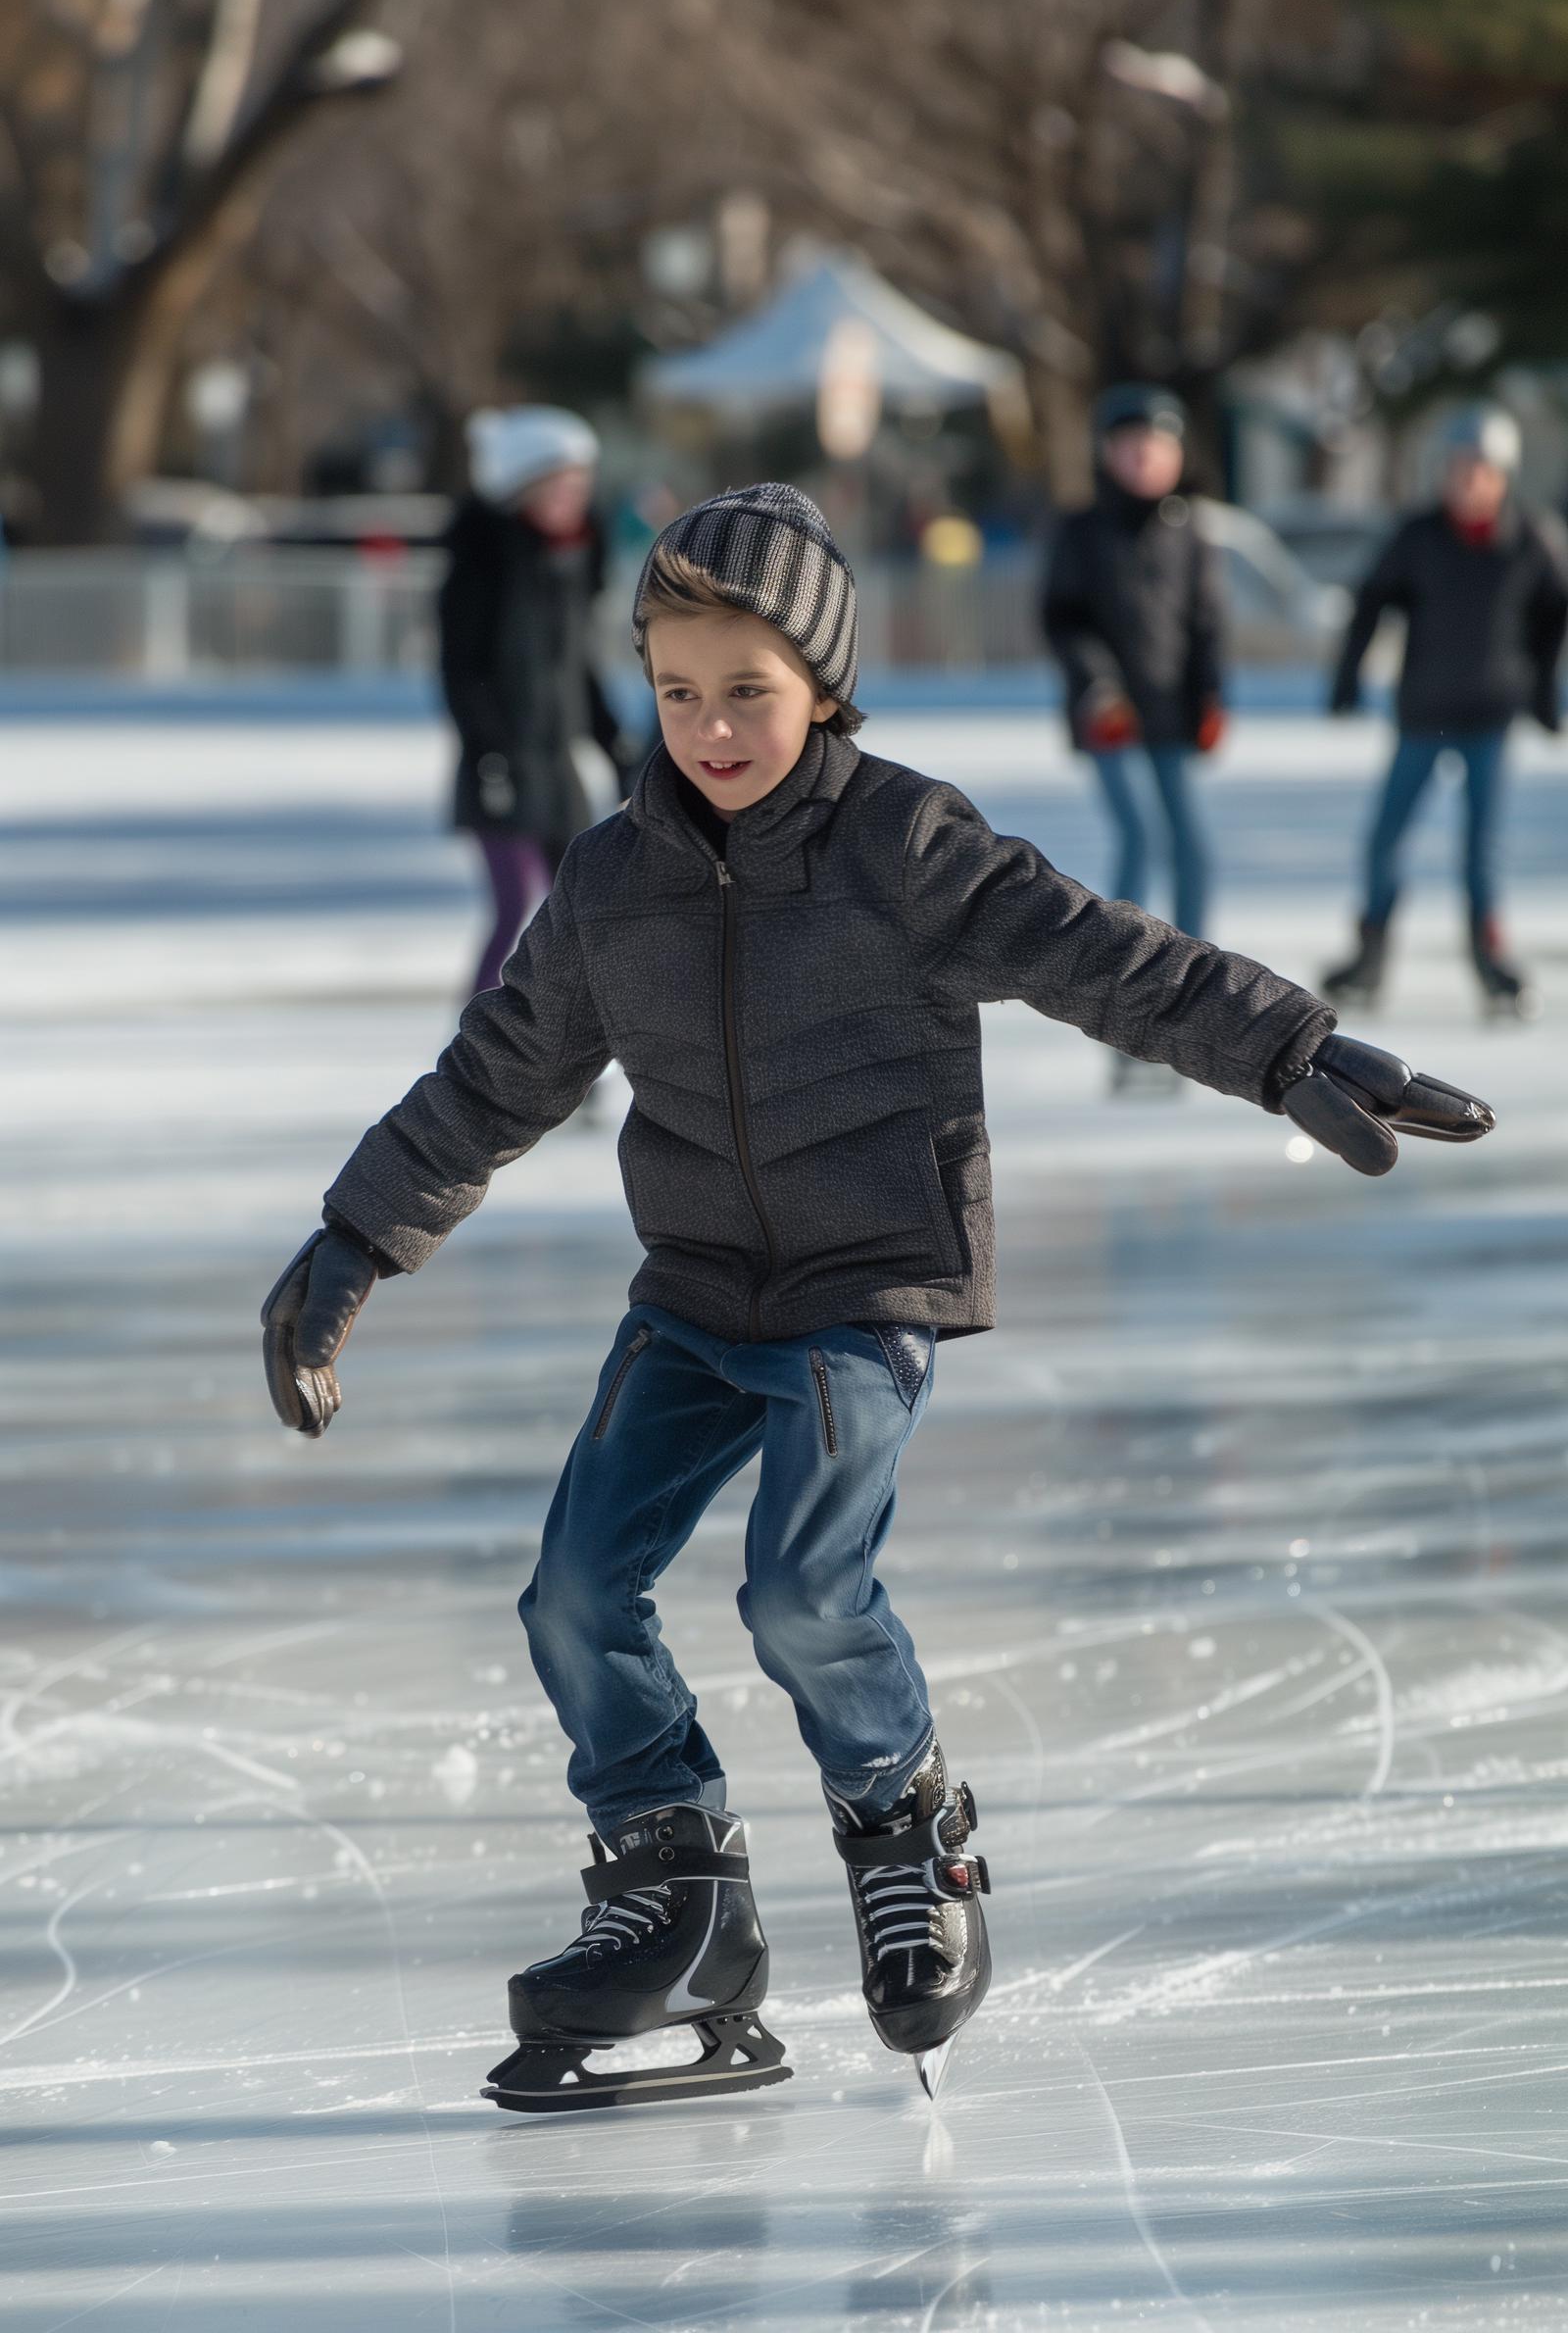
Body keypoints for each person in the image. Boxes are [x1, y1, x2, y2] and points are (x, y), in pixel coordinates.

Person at [262, 483, 1493, 2112]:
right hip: (697, 1292)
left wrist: (1289, 1045)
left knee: (802, 1594)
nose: (709, 728)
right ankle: (676, 1889)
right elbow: (498, 1076)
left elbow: (1104, 956)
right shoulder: (614, 880)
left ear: (825, 687)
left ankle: (910, 1832)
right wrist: (356, 1238)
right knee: (573, 1593)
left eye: (747, 694)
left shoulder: (905, 846)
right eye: (678, 689)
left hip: (866, 1289)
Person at [1322, 404, 1568, 1016]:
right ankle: (1370, 954)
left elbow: (1553, 616)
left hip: (1490, 713)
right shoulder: (1419, 536)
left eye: (1479, 469)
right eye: (1456, 468)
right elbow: (1370, 601)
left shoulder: (1530, 538)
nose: (1466, 481)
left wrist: (1543, 692)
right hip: (1423, 713)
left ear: (1502, 475)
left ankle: (1490, 961)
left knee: (1481, 848)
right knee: (1386, 837)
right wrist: (1347, 676)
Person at [1043, 383, 1227, 1089]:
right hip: (1111, 718)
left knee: (1193, 850)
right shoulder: (1084, 530)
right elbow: (1063, 619)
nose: (1145, 458)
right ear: (1107, 454)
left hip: (1173, 717)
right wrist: (1097, 683)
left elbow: (1207, 623)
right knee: (1139, 837)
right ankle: (1121, 989)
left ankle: (1198, 993)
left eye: (1158, 446)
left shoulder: (1191, 531)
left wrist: (1212, 697)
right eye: (1131, 446)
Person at [440, 406, 636, 999]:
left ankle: (575, 1062)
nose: (574, 497)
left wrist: (614, 744)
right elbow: (461, 673)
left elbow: (579, 669)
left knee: (578, 917)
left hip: (559, 772)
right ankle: (476, 1066)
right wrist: (488, 754)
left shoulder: (571, 565)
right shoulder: (486, 563)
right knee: (514, 912)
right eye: (560, 484)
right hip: (498, 769)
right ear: (523, 487)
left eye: (581, 484)